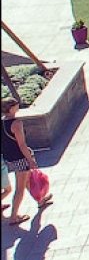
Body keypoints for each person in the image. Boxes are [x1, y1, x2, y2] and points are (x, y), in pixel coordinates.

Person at [3, 96, 51, 225]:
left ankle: (40, 200)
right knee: (20, 188)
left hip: (10, 158)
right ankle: (14, 216)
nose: (18, 106)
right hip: (20, 158)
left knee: (27, 180)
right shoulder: (16, 123)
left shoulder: (3, 122)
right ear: (11, 108)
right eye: (16, 105)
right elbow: (22, 144)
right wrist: (30, 160)